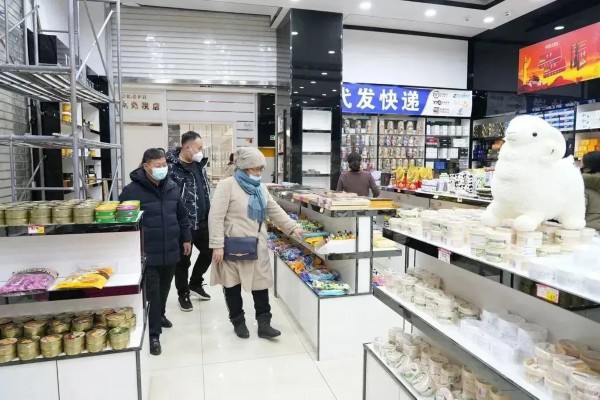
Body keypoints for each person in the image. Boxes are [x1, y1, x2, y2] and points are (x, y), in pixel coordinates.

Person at [208, 147, 305, 339]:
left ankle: (264, 324)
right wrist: (217, 245)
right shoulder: (227, 185)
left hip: (257, 244)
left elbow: (274, 210)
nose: (259, 172)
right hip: (232, 245)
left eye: (261, 168)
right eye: (255, 168)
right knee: (232, 286)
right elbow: (216, 217)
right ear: (244, 168)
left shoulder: (260, 188)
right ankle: (238, 321)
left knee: (261, 285)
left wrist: (293, 227)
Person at [120, 148, 192, 356]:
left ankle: (160, 315)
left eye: (165, 164)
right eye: (158, 165)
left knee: (165, 288)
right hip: (148, 251)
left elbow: (182, 215)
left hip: (171, 248)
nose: (163, 168)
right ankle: (154, 335)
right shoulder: (131, 191)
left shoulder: (172, 186)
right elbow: (124, 222)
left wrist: (186, 238)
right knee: (152, 292)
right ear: (146, 166)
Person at [167, 131, 213, 312]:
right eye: (199, 148)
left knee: (210, 251)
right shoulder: (172, 168)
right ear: (188, 147)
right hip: (183, 223)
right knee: (183, 261)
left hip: (203, 220)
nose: (201, 151)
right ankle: (183, 293)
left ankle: (195, 283)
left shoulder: (199, 165)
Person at [581, 151, 600, 231]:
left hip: (589, 232)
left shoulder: (583, 187)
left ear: (587, 168)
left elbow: (576, 214)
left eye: (582, 164)